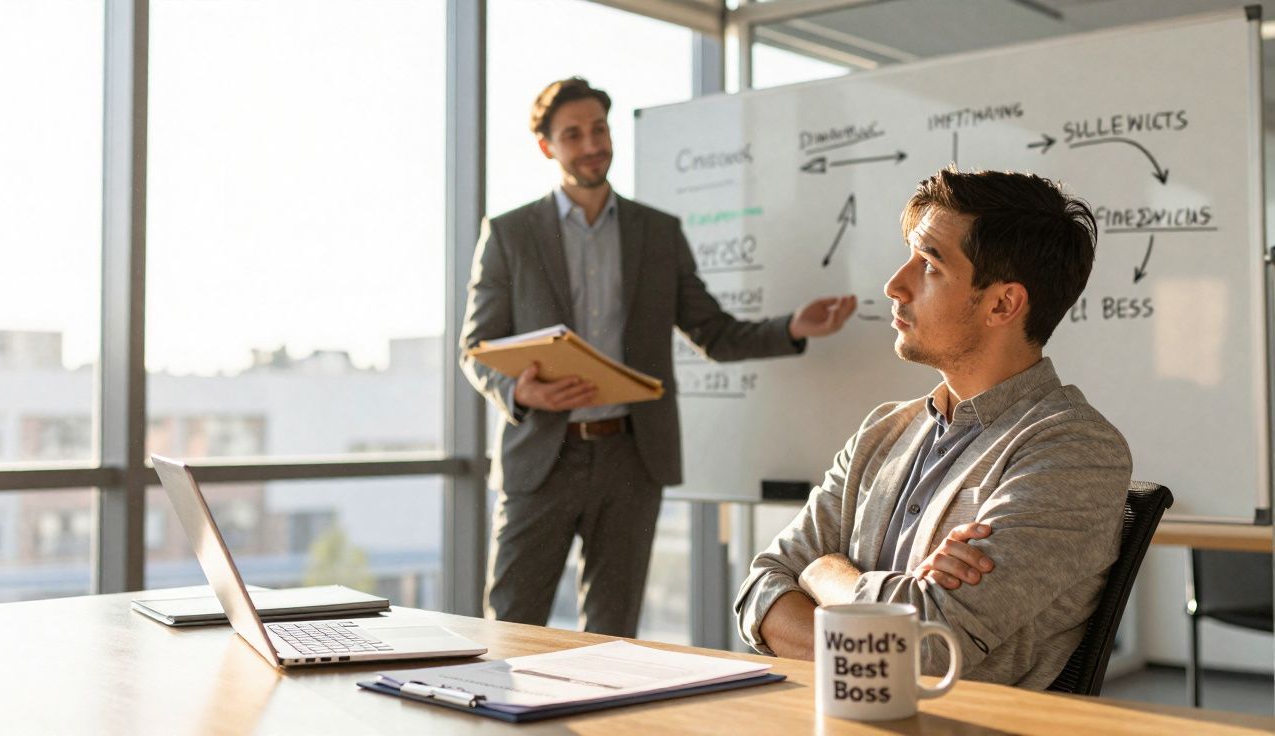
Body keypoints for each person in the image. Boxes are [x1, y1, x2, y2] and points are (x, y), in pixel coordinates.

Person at [459, 77, 858, 637]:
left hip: (631, 458)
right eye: (573, 135)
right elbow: (476, 349)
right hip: (543, 458)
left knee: (613, 634)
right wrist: (517, 391)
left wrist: (792, 327)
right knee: (511, 626)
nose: (591, 144)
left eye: (599, 129)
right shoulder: (510, 234)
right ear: (547, 146)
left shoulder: (657, 232)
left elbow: (712, 333)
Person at [734, 168, 1132, 689]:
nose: (894, 285)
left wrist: (823, 572)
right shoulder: (882, 432)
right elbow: (760, 589)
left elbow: (926, 650)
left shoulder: (1074, 450)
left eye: (929, 264)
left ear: (1002, 304)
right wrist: (894, 609)